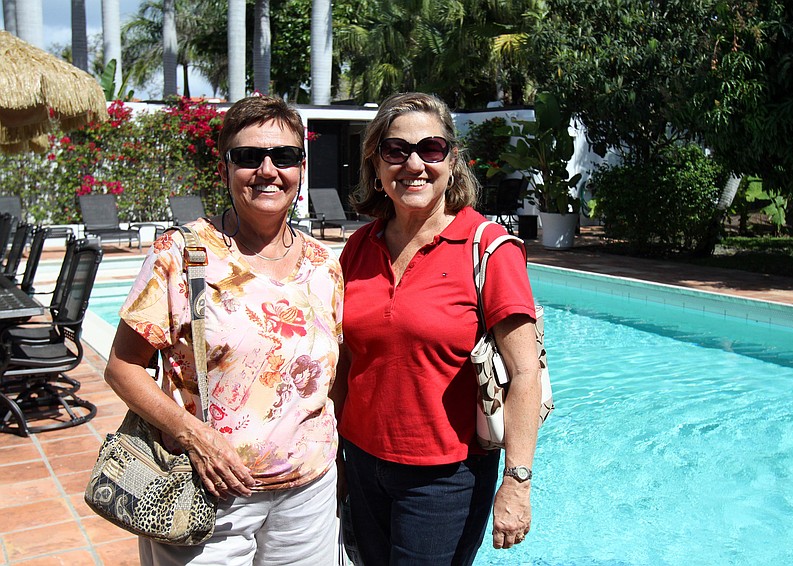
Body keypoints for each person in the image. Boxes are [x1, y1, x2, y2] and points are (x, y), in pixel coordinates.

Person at [104, 95, 344, 565]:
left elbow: (333, 374)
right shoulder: (182, 254)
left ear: (300, 168)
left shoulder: (323, 265)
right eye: (249, 156)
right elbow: (122, 366)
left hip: (308, 494)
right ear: (225, 168)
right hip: (205, 489)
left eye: (284, 156)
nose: (268, 170)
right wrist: (193, 436)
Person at [332, 91, 542, 565]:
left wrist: (517, 481)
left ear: (452, 160)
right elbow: (344, 361)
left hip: (446, 479)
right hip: (362, 464)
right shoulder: (359, 247)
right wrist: (335, 459)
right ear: (376, 164)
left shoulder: (488, 248)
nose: (414, 164)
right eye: (395, 150)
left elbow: (525, 373)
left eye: (430, 148)